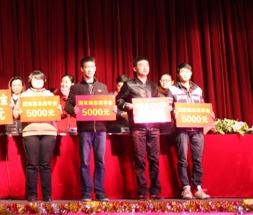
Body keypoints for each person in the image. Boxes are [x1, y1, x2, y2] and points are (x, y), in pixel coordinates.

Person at [116, 57, 163, 200]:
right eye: (141, 65)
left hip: (153, 125)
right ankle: (142, 190)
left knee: (154, 159)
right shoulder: (129, 85)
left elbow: (159, 101)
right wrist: (126, 105)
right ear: (135, 69)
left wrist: (166, 103)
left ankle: (155, 190)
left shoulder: (153, 85)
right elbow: (119, 100)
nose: (145, 67)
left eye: (147, 65)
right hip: (138, 127)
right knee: (140, 159)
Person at [65, 57, 109, 201]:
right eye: (86, 67)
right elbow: (68, 105)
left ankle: (100, 192)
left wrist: (112, 109)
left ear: (95, 68)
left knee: (100, 162)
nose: (90, 69)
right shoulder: (76, 88)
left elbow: (107, 105)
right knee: (84, 162)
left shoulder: (103, 87)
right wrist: (74, 110)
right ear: (81, 69)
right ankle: (86, 192)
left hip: (101, 129)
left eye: (92, 67)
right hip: (84, 129)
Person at [166, 63, 210, 200]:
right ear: (178, 74)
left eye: (188, 71)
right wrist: (173, 112)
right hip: (181, 129)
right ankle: (186, 188)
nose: (185, 74)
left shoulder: (198, 89)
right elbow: (168, 107)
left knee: (197, 159)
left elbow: (202, 106)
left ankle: (198, 188)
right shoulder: (172, 89)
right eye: (182, 72)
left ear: (191, 73)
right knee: (183, 159)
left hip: (197, 128)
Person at [14, 71, 58, 202]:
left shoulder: (50, 95)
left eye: (40, 79)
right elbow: (15, 114)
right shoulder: (24, 96)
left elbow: (58, 113)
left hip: (48, 131)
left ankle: (47, 195)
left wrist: (59, 110)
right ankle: (32, 194)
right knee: (32, 164)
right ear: (30, 81)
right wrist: (18, 112)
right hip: (30, 131)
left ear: (44, 81)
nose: (38, 82)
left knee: (45, 164)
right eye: (35, 79)